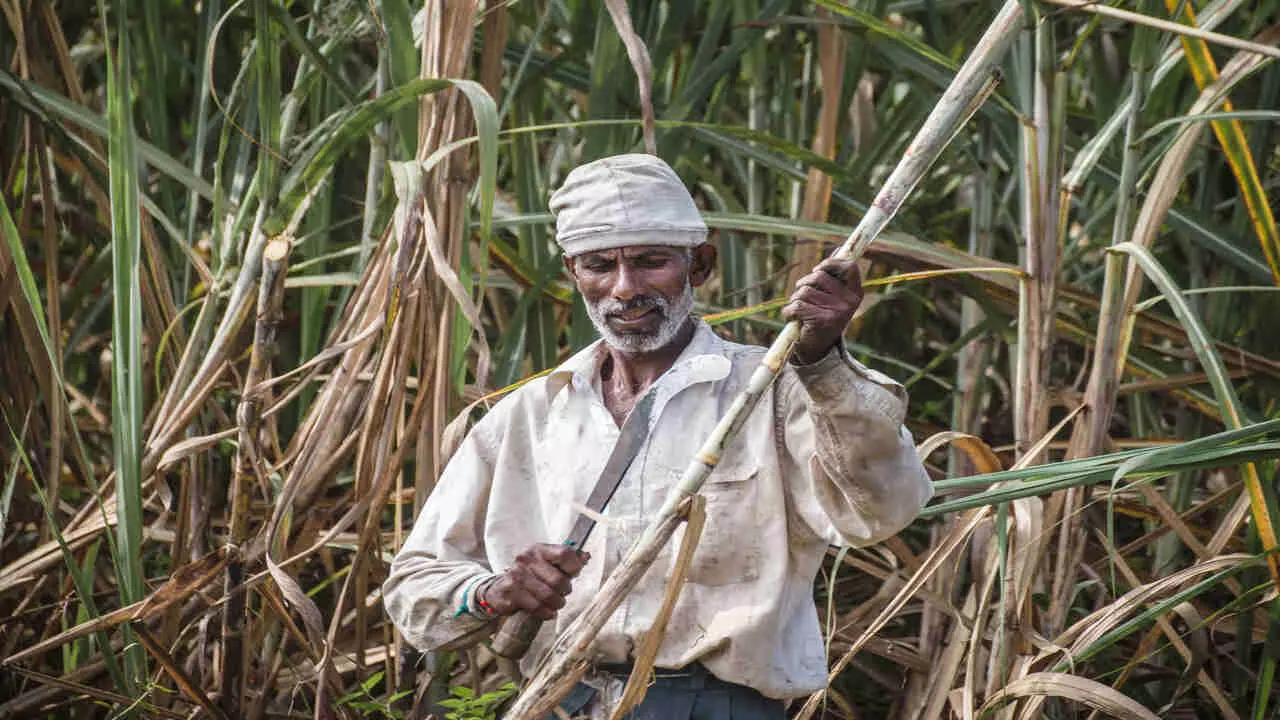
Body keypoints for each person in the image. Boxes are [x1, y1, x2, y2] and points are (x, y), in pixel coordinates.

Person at [383, 153, 933, 719]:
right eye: (599, 265)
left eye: (651, 263)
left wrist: (821, 360)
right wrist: (494, 592)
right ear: (573, 272)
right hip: (556, 702)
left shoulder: (774, 392)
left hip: (717, 708)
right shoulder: (530, 415)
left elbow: (882, 512)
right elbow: (414, 591)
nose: (625, 289)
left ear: (700, 266)